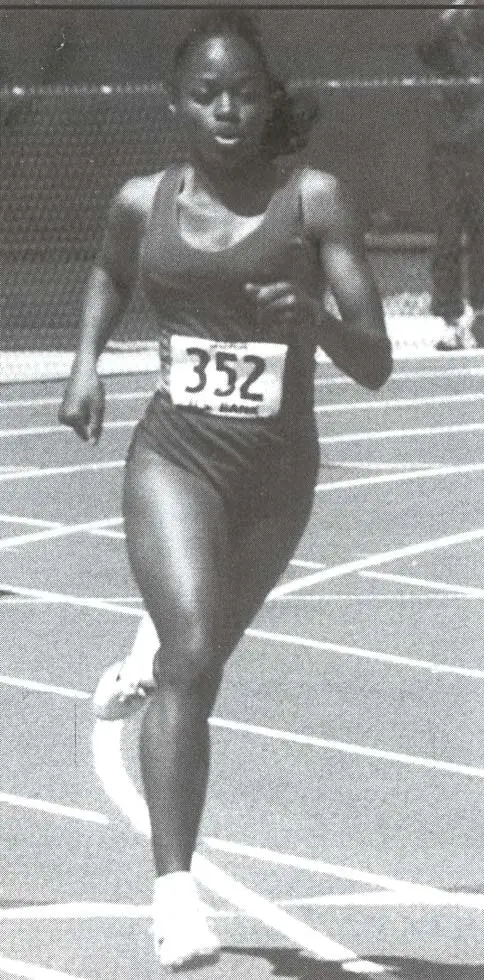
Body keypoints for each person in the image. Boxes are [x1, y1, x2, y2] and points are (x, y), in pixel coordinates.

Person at [59, 11, 392, 971]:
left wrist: (315, 319)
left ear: (267, 99)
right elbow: (109, 271)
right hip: (174, 456)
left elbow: (373, 363)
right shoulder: (140, 201)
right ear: (177, 104)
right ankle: (175, 897)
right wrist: (86, 365)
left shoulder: (314, 201)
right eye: (207, 94)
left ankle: (149, 647)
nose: (227, 109)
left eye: (244, 92)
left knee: (195, 660)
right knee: (194, 658)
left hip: (277, 476)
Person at [418, 1, 484, 350]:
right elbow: (425, 47)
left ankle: (483, 317)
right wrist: (454, 9)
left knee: (483, 235)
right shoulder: (442, 44)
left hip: (483, 150)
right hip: (447, 152)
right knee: (447, 236)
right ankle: (450, 321)